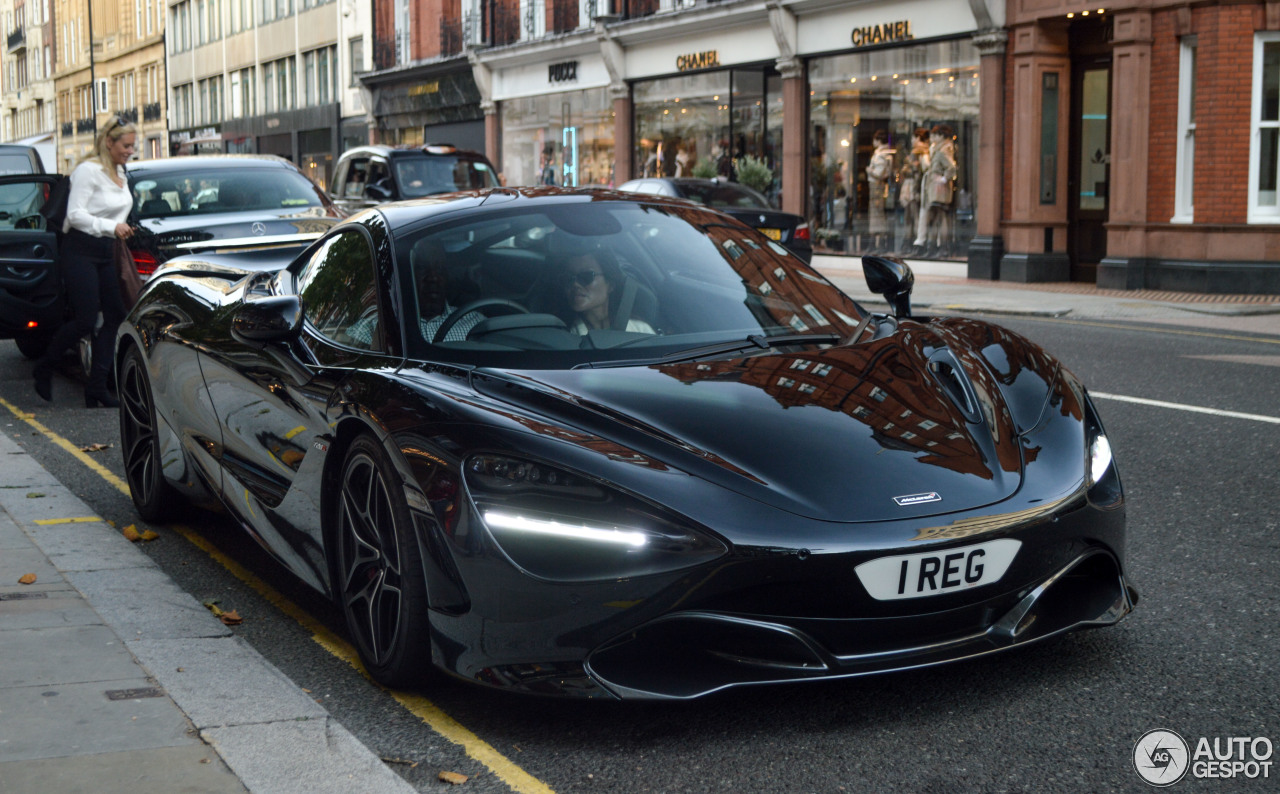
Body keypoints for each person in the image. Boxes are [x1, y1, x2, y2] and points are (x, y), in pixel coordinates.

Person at [33, 115, 136, 408]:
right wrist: (111, 227)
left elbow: (115, 211)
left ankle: (96, 389)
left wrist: (122, 227)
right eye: (126, 145)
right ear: (109, 142)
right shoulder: (88, 171)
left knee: (116, 315)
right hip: (80, 250)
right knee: (86, 319)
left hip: (107, 252)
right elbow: (75, 215)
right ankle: (45, 366)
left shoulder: (120, 172)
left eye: (132, 146)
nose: (130, 150)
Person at [560, 248, 654, 335]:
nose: (575, 284)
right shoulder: (563, 336)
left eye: (586, 276)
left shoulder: (640, 329)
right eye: (568, 278)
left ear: (610, 284)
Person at [899, 128, 930, 254]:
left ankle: (915, 243)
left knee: (914, 216)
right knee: (911, 216)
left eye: (913, 137)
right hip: (911, 187)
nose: (912, 140)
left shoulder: (921, 152)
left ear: (918, 138)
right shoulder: (918, 152)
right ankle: (910, 242)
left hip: (914, 188)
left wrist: (910, 169)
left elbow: (920, 171)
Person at [865, 130, 894, 254]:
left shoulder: (882, 154)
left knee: (877, 214)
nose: (873, 142)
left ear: (878, 140)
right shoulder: (882, 153)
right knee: (876, 214)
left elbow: (879, 173)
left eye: (874, 139)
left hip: (877, 187)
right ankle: (876, 243)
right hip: (877, 187)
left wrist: (869, 171)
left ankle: (878, 243)